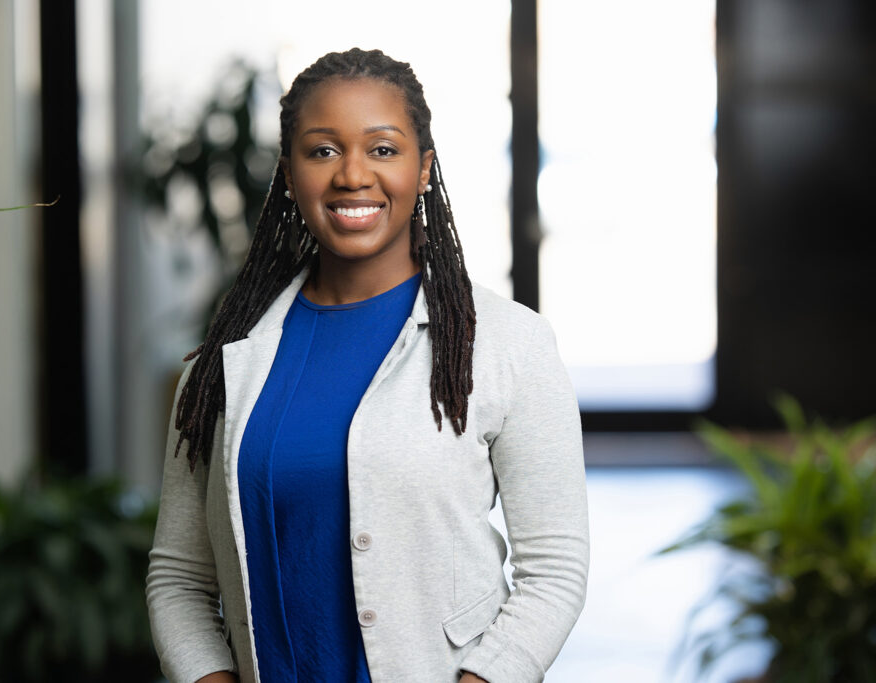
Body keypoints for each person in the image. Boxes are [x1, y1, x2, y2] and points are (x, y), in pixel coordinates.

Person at [147, 48, 589, 683]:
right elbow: (179, 575)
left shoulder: (507, 344)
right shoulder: (226, 361)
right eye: (322, 150)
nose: (353, 174)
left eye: (383, 149)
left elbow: (554, 568)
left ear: (424, 168)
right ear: (289, 173)